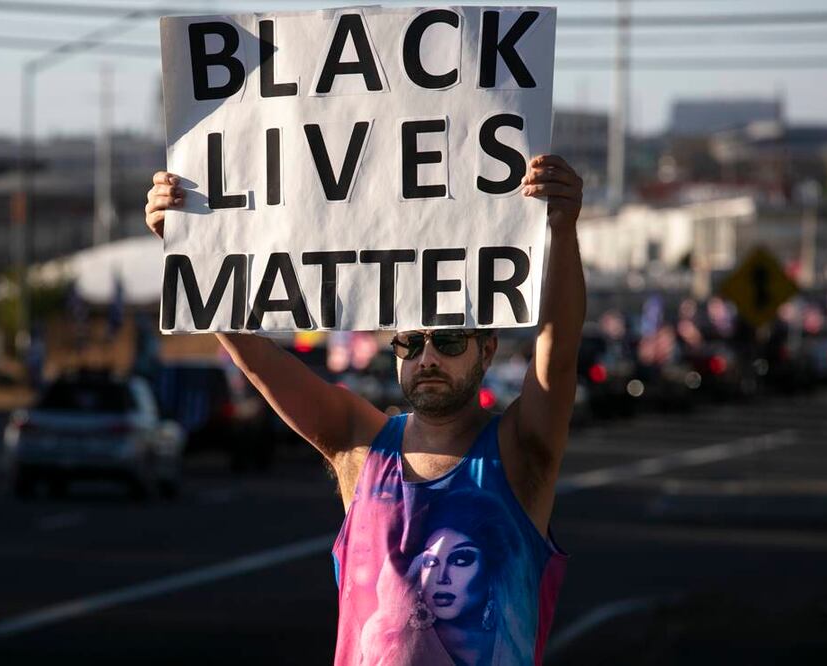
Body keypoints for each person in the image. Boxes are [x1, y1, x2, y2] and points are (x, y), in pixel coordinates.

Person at [145, 154, 584, 665]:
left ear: (486, 351)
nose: (427, 358)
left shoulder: (518, 453)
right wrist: (187, 246)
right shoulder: (360, 444)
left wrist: (563, 228)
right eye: (410, 342)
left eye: (447, 340)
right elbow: (260, 357)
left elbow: (561, 349)